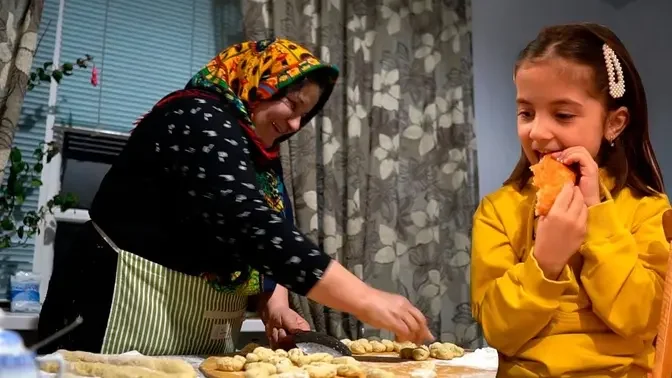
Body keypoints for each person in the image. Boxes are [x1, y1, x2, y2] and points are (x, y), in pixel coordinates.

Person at [38, 37, 433, 355]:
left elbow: (273, 228)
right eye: (290, 104)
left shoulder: (258, 154)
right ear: (256, 81)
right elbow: (247, 222)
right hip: (109, 307)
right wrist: (365, 299)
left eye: (304, 116)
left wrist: (274, 301)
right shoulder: (197, 117)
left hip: (192, 327)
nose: (295, 124)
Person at [470, 23, 670, 377]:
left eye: (563, 115)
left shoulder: (648, 210)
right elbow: (499, 332)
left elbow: (644, 323)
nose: (538, 132)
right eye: (526, 113)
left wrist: (598, 217)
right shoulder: (498, 212)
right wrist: (545, 261)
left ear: (614, 123)